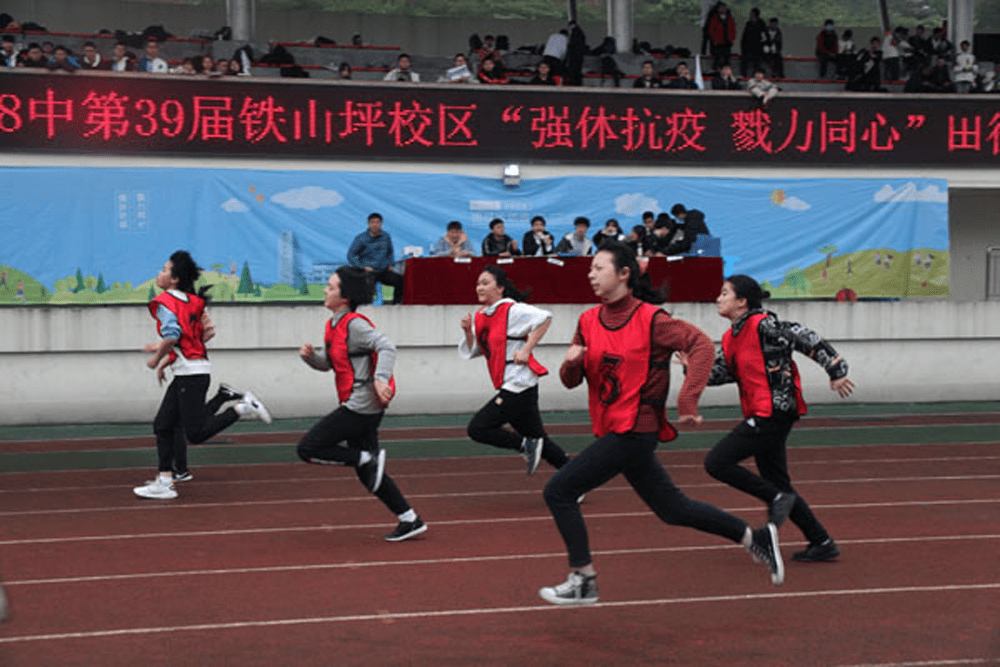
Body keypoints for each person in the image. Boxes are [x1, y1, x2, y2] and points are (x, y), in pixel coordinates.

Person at [538, 242, 783, 605]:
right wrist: (572, 363)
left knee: (558, 491)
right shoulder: (588, 321)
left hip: (636, 429)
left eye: (599, 268)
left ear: (625, 274)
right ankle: (754, 537)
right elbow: (571, 380)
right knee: (673, 509)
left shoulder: (652, 320)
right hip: (614, 428)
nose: (591, 274)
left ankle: (583, 579)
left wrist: (687, 399)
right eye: (590, 268)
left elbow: (700, 344)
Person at [693, 274, 853, 563]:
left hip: (774, 410)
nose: (718, 298)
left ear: (742, 301)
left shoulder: (763, 323)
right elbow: (723, 373)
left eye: (724, 293)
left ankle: (778, 499)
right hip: (760, 412)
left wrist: (835, 368)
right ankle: (821, 541)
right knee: (778, 482)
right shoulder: (731, 337)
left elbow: (804, 336)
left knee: (716, 462)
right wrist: (695, 367)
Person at [297, 267, 426, 542]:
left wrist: (380, 380)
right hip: (356, 403)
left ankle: (367, 457)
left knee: (308, 448)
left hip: (362, 406)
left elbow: (387, 347)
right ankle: (409, 519)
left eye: (330, 287)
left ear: (344, 297)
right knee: (369, 475)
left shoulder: (355, 323)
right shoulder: (333, 325)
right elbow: (331, 365)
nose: (325, 290)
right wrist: (311, 359)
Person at [134, 251, 271, 500]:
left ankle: (242, 407)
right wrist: (166, 360)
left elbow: (174, 335)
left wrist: (156, 359)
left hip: (191, 374)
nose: (159, 273)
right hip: (193, 371)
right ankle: (165, 481)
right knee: (163, 425)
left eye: (164, 269)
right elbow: (194, 339)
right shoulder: (193, 302)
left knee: (194, 433)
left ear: (174, 279)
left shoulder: (165, 302)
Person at [459, 265, 570, 476]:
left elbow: (545, 317)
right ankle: (575, 477)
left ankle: (525, 446)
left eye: (485, 283)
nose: (479, 288)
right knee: (541, 441)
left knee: (478, 428)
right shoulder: (482, 315)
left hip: (519, 381)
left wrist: (527, 349)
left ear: (500, 288)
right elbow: (476, 350)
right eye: (478, 283)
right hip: (513, 383)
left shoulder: (512, 310)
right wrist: (467, 331)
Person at [347, 212, 404, 305]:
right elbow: (351, 255)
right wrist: (362, 267)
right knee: (365, 284)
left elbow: (390, 251)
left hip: (383, 270)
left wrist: (390, 264)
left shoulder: (386, 237)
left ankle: (396, 305)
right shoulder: (361, 238)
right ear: (368, 224)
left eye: (377, 222)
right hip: (368, 271)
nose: (375, 225)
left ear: (381, 224)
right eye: (372, 222)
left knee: (400, 280)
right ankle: (365, 307)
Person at [706, 2, 737, 71]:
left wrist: (731, 39)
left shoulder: (730, 18)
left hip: (727, 41)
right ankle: (715, 70)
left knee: (727, 58)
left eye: (724, 8)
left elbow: (733, 29)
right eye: (721, 8)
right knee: (717, 57)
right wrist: (714, 40)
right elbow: (711, 30)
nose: (723, 9)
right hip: (718, 42)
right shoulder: (714, 18)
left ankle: (726, 70)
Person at [740, 7, 766, 77]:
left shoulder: (761, 24)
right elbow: (745, 36)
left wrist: (762, 46)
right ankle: (743, 74)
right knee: (744, 61)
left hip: (757, 47)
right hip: (748, 46)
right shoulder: (748, 23)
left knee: (756, 62)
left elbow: (764, 36)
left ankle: (756, 74)